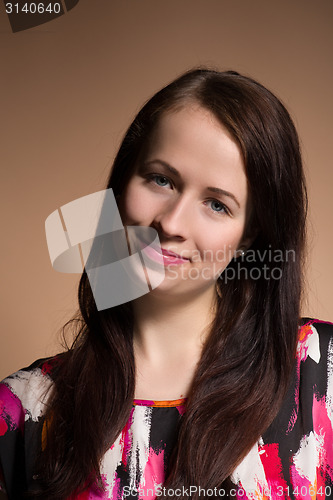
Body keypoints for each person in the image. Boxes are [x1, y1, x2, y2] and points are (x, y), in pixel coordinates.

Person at [0, 69, 332, 500]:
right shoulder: (23, 410)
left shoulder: (321, 372)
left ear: (251, 234)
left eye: (216, 204)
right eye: (161, 179)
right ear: (122, 184)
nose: (170, 223)